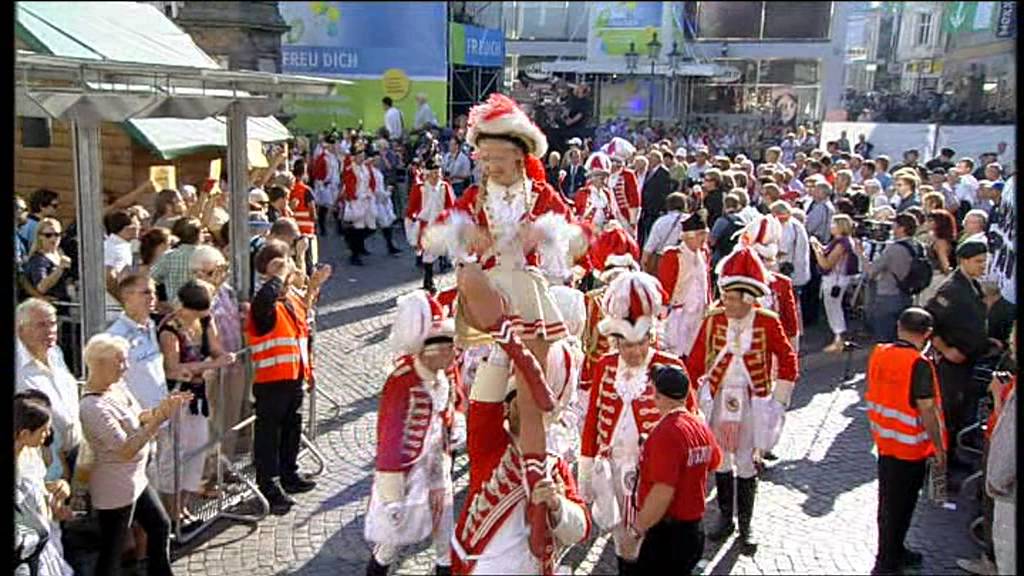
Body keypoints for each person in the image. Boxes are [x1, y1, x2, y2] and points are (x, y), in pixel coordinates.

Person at [424, 94, 579, 562]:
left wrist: (547, 233)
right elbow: (437, 236)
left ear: (519, 153)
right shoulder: (476, 196)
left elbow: (573, 240)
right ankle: (509, 347)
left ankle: (535, 467)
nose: (487, 165)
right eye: (482, 157)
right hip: (492, 296)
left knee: (531, 397)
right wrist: (463, 234)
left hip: (527, 291)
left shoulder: (542, 194)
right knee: (468, 279)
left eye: (495, 157)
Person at [578, 270, 694, 573]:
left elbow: (688, 424)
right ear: (616, 341)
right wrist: (586, 471)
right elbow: (592, 421)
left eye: (641, 343)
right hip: (613, 470)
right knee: (622, 542)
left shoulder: (670, 367)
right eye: (627, 345)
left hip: (654, 478)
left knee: (654, 543)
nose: (635, 351)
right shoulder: (604, 365)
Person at [687, 246, 798, 553]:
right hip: (720, 398)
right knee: (721, 458)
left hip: (754, 401)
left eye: (733, 299)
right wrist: (692, 399)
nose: (726, 303)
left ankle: (746, 525)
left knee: (747, 460)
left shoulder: (766, 320)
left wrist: (778, 401)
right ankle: (725, 518)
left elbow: (788, 361)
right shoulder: (713, 319)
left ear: (749, 298)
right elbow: (696, 361)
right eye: (725, 296)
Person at [78, 333, 192, 576]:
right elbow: (126, 449)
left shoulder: (117, 387)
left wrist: (163, 408)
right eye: (119, 361)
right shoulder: (92, 407)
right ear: (98, 364)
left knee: (160, 526)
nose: (125, 367)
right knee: (113, 550)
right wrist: (159, 419)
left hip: (136, 479)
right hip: (115, 488)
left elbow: (140, 416)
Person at [365, 291, 456, 576]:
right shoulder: (401, 383)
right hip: (407, 475)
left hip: (436, 466)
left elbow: (444, 417)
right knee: (390, 544)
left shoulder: (442, 377)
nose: (449, 352)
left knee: (445, 539)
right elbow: (389, 440)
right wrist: (392, 495)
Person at [865, 307, 947, 575]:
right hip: (910, 448)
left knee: (888, 503)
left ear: (899, 327)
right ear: (928, 334)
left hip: (885, 440)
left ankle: (893, 550)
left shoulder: (880, 353)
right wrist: (938, 446)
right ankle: (888, 559)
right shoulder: (918, 364)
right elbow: (926, 408)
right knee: (901, 506)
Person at [248, 241, 327, 512]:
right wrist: (278, 275)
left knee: (292, 426)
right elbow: (263, 303)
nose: (287, 267)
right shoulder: (263, 299)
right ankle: (269, 484)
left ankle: (288, 473)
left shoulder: (289, 297)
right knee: (269, 434)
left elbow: (304, 326)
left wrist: (313, 284)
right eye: (279, 264)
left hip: (293, 375)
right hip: (271, 380)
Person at [620, 366, 721, 574]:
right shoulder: (699, 425)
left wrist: (636, 531)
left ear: (657, 395)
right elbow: (714, 461)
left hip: (666, 535)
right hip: (693, 529)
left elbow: (662, 494)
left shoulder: (665, 433)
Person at [156, 280, 234, 523]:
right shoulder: (170, 329)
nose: (201, 317)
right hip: (177, 397)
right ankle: (171, 512)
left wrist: (219, 358)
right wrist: (210, 365)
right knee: (174, 454)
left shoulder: (204, 320)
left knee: (197, 450)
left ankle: (184, 507)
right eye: (198, 312)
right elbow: (172, 368)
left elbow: (217, 350)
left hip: (198, 396)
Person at [925, 235, 992, 469]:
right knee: (949, 414)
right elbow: (929, 323)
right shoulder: (951, 290)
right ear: (963, 261)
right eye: (977, 261)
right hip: (952, 365)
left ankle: (953, 455)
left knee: (963, 411)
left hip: (969, 359)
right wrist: (945, 349)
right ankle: (942, 462)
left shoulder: (972, 284)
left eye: (984, 261)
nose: (982, 266)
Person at [16, 299, 81, 479]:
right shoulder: (18, 367)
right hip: (45, 462)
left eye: (52, 323)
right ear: (20, 330)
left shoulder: (56, 353)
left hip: (76, 451)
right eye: (41, 325)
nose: (50, 330)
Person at [14, 394, 74, 576]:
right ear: (25, 434)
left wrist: (57, 488)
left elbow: (33, 489)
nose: (48, 435)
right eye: (44, 430)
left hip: (45, 546)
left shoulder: (32, 453)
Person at [860, 214, 922, 342]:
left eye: (895, 226)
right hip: (908, 295)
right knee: (903, 338)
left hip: (888, 296)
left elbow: (871, 272)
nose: (892, 229)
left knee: (884, 338)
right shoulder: (918, 247)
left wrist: (861, 254)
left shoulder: (893, 249)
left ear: (901, 228)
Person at [657, 213, 711, 358]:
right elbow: (665, 285)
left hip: (699, 311)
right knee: (675, 352)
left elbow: (707, 281)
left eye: (705, 234)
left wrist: (709, 303)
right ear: (688, 236)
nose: (704, 239)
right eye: (700, 234)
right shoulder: (673, 254)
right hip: (678, 313)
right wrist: (662, 314)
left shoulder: (704, 253)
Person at [405, 156, 455, 292]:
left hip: (440, 224)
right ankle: (428, 281)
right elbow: (411, 208)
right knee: (429, 252)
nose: (435, 177)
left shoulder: (445, 187)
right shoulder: (419, 188)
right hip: (424, 225)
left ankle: (429, 277)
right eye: (432, 174)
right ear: (426, 175)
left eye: (437, 174)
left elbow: (451, 206)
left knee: (434, 251)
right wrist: (410, 222)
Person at [811, 214, 858, 353]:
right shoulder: (839, 241)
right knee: (833, 308)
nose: (831, 227)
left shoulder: (842, 244)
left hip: (835, 280)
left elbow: (826, 264)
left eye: (834, 224)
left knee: (834, 309)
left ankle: (839, 339)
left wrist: (816, 250)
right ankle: (838, 338)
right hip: (836, 279)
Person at [340, 147, 379, 266]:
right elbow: (348, 184)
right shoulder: (350, 168)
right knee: (359, 226)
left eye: (363, 156)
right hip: (356, 200)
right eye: (359, 156)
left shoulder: (366, 167)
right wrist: (354, 197)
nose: (362, 158)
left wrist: (370, 192)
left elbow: (371, 181)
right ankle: (355, 254)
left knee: (371, 227)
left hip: (367, 199)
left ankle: (352, 240)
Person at [151, 217, 203, 305]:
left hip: (175, 308)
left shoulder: (168, 256)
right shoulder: (208, 254)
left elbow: (152, 277)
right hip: (201, 306)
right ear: (198, 235)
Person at [23, 218, 74, 306]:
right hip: (49, 308)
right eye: (48, 235)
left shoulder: (60, 253)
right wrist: (59, 269)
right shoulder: (38, 259)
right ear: (40, 237)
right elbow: (41, 287)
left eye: (57, 235)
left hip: (66, 305)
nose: (53, 239)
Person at [916, 209, 958, 305]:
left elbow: (945, 264)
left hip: (936, 278)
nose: (927, 223)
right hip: (927, 277)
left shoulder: (941, 242)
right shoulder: (931, 237)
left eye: (931, 221)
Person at [640, 192, 688, 273]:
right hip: (686, 262)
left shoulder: (661, 221)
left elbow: (649, 247)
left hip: (664, 262)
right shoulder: (691, 220)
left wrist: (644, 265)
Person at [637, 150, 673, 248]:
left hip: (656, 209)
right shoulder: (649, 171)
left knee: (652, 232)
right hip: (646, 208)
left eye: (651, 157)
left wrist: (663, 208)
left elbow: (665, 192)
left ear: (657, 159)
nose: (649, 159)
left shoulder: (664, 172)